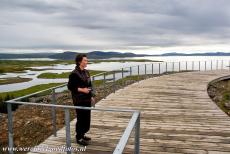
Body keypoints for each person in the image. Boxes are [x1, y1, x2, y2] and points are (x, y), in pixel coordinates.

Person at [67, 54, 96, 146]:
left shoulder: (86, 72)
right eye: (85, 60)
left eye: (87, 60)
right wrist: (82, 90)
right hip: (79, 100)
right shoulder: (74, 73)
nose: (87, 62)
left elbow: (89, 85)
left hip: (87, 99)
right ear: (80, 61)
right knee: (81, 118)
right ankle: (78, 138)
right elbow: (70, 87)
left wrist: (91, 96)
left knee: (87, 118)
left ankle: (83, 134)